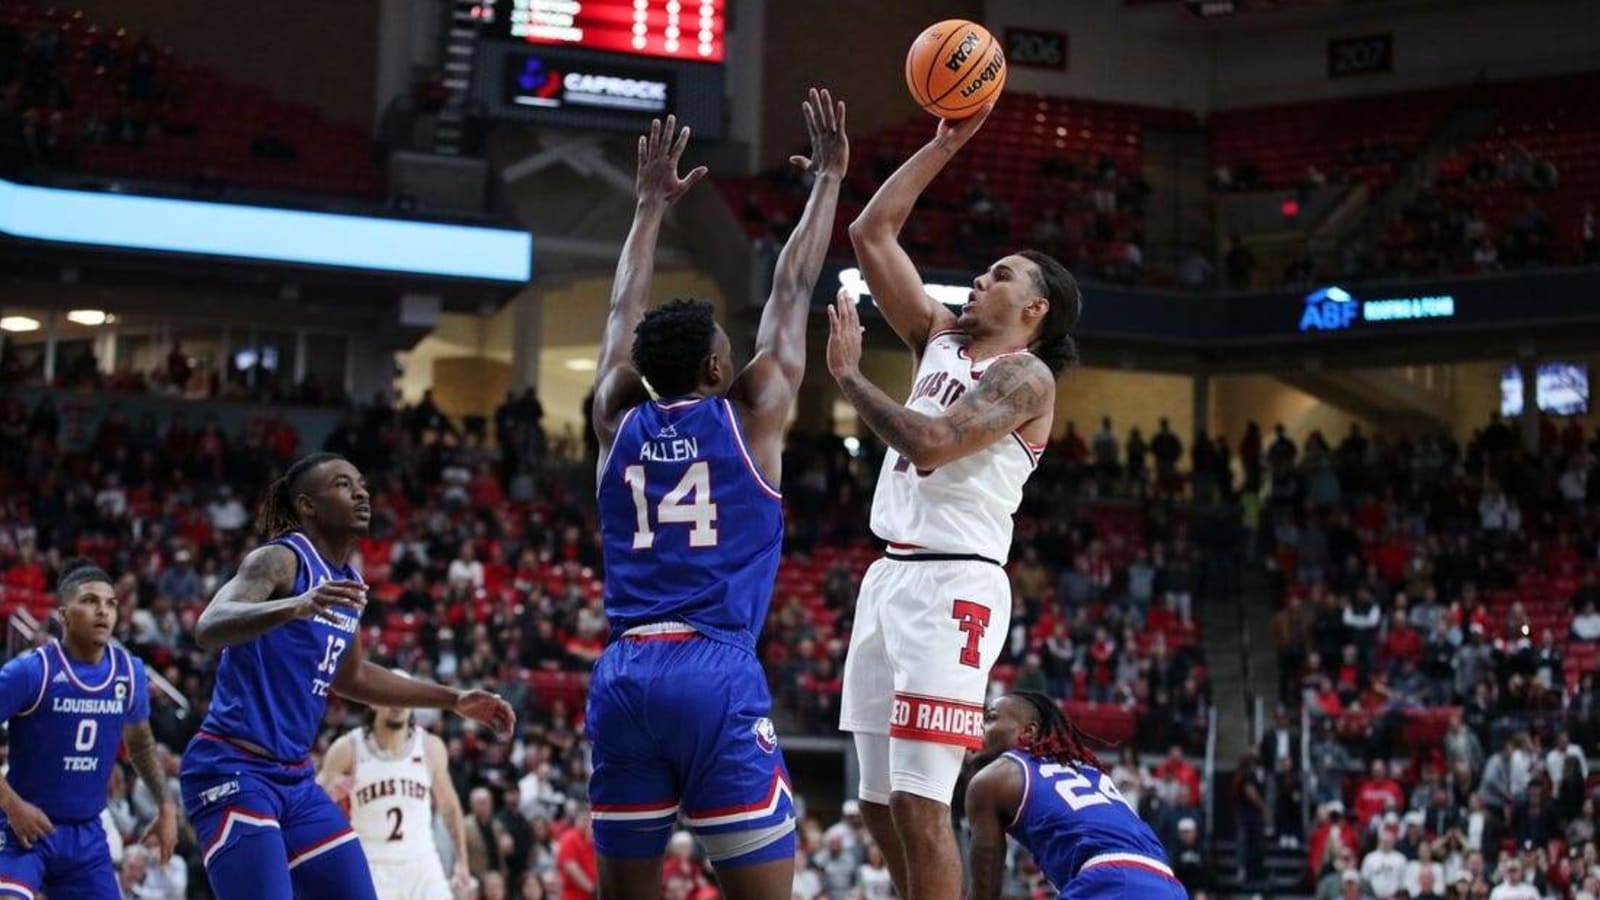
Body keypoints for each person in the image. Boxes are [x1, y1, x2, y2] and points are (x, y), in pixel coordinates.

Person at [585, 93, 848, 899]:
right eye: (726, 350)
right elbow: (793, 287)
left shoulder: (610, 417)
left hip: (625, 670)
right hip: (713, 667)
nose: (738, 356)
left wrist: (647, 209)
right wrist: (828, 181)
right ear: (710, 370)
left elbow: (620, 311)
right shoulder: (753, 413)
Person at [828, 100, 1080, 900]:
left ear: (1034, 311)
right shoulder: (940, 335)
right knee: (875, 804)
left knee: (921, 802)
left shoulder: (1025, 377)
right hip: (890, 576)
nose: (980, 278)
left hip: (953, 586)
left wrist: (849, 378)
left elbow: (932, 445)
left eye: (1001, 275)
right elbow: (870, 234)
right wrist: (944, 143)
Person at [179, 452, 516, 899]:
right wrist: (294, 605)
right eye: (342, 484)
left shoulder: (347, 583)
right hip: (234, 766)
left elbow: (351, 676)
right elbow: (209, 626)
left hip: (295, 778)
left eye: (361, 484)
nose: (360, 492)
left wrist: (452, 699)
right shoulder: (280, 560)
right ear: (307, 505)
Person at [0, 559, 178, 898]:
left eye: (110, 603)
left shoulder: (131, 672)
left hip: (86, 836)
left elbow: (140, 745)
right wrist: (11, 804)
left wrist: (166, 806)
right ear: (63, 615)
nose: (103, 611)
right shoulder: (30, 672)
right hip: (23, 829)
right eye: (90, 601)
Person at [964, 692, 1185, 899]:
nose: (978, 727)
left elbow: (985, 891)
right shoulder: (1087, 769)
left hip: (1109, 879)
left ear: (1028, 732)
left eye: (990, 718)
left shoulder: (992, 779)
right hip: (1168, 883)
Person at [317, 694, 471, 900]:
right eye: (389, 696)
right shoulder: (347, 747)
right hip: (371, 861)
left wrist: (462, 859)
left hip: (422, 862)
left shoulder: (430, 747)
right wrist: (328, 794)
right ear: (373, 703)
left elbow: (450, 807)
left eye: (405, 697)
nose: (397, 703)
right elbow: (310, 799)